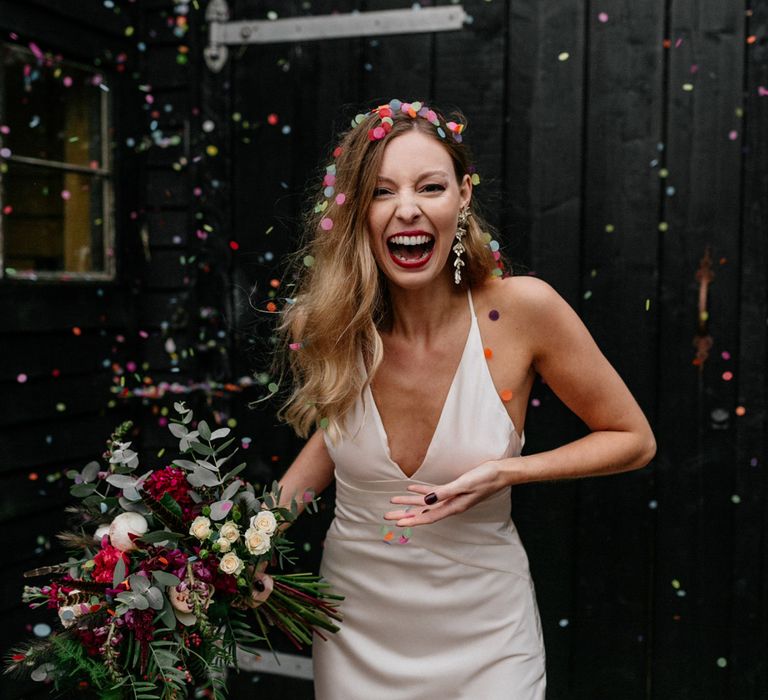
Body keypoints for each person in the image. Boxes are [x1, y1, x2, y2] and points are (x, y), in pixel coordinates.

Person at [272, 99, 656, 700]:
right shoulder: (340, 325)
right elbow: (340, 436)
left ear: (463, 196)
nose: (408, 209)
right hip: (356, 632)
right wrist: (237, 546)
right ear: (356, 212)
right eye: (381, 191)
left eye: (430, 186)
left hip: (487, 634)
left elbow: (633, 439)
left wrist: (507, 470)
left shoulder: (523, 311)